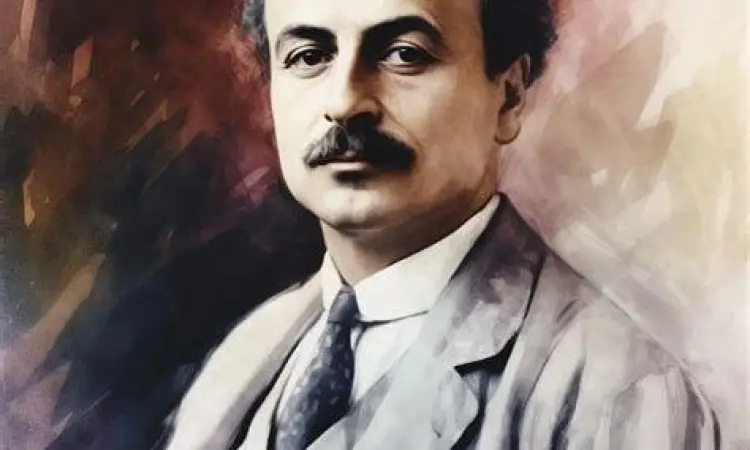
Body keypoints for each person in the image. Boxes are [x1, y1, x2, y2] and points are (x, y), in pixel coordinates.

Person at [166, 0, 721, 448]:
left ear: (508, 97)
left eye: (404, 55)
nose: (344, 102)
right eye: (309, 56)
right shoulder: (246, 356)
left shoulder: (617, 393)